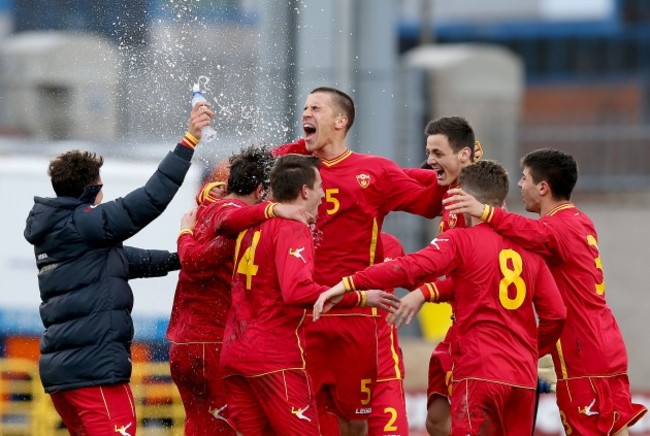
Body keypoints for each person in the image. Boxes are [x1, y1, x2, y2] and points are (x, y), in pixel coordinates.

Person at [316, 159, 567, 434]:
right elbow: (556, 314)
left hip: (479, 371)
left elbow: (408, 267)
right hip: (521, 377)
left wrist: (348, 283)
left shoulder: (461, 240)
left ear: (464, 200)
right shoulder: (529, 248)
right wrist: (531, 352)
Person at [23, 102, 214, 435]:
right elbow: (151, 199)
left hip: (63, 375)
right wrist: (189, 141)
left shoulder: (61, 232)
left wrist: (185, 256)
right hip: (95, 372)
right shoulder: (84, 224)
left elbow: (128, 259)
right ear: (92, 190)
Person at [445, 148, 648, 435]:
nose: (519, 185)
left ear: (542, 187)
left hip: (582, 351)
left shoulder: (558, 228)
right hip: (603, 344)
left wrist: (485, 210)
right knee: (613, 430)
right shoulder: (580, 221)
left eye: (524, 178)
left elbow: (531, 233)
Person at [220, 154, 399, 435]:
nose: (324, 195)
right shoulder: (292, 227)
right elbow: (297, 291)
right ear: (305, 191)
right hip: (274, 357)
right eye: (320, 187)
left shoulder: (250, 222)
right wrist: (361, 297)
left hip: (234, 355)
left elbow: (223, 223)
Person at [167, 145, 277, 435]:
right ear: (260, 190)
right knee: (223, 426)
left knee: (199, 422)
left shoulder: (206, 209)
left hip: (183, 342)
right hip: (213, 343)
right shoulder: (239, 221)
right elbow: (193, 259)